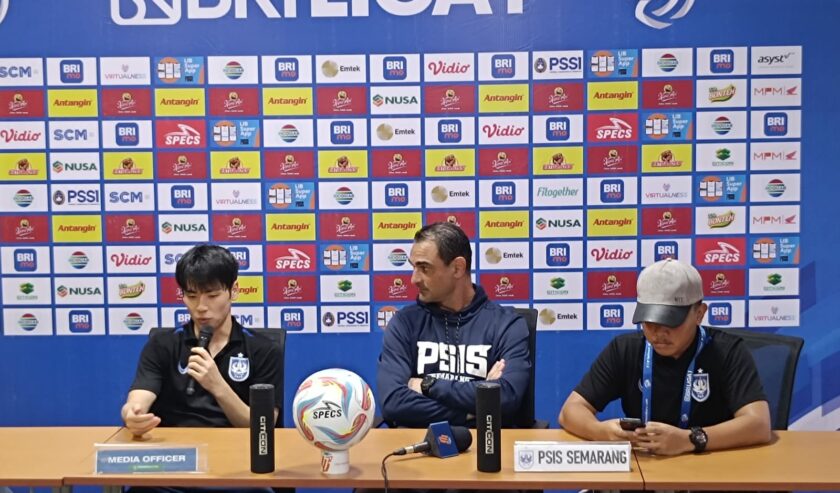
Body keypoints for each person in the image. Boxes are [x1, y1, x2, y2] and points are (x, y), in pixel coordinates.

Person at [559, 258, 772, 456]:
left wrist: (690, 439)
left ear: (699, 313)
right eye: (649, 321)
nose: (658, 333)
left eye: (671, 321)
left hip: (709, 469)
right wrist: (600, 431)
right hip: (645, 473)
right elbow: (571, 410)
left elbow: (759, 424)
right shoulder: (625, 349)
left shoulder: (727, 350)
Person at [377, 222, 531, 428]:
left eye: (424, 268)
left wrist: (426, 385)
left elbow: (506, 397)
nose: (413, 279)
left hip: (485, 449)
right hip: (419, 448)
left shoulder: (506, 325)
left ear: (457, 268)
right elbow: (394, 402)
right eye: (413, 267)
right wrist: (471, 412)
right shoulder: (405, 323)